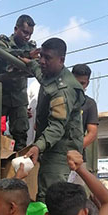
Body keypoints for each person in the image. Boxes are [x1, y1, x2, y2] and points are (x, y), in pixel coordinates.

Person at [21, 38, 86, 202]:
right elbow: (39, 73)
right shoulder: (50, 73)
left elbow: (57, 126)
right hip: (50, 146)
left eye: (47, 58)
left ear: (61, 60)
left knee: (50, 197)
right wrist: (29, 62)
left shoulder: (64, 90)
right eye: (41, 56)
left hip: (61, 151)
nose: (42, 61)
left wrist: (37, 146)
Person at [0, 15, 37, 151]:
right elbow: (0, 54)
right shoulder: (4, 42)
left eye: (30, 34)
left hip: (19, 98)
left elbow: (36, 66)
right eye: (25, 32)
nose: (27, 37)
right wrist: (26, 55)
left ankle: (19, 162)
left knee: (21, 135)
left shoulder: (31, 47)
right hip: (0, 95)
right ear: (15, 29)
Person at [71, 64, 99, 155]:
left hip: (76, 156)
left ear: (87, 83)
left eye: (82, 83)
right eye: (75, 82)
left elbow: (92, 133)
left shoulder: (89, 104)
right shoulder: (58, 99)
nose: (78, 86)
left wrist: (74, 149)